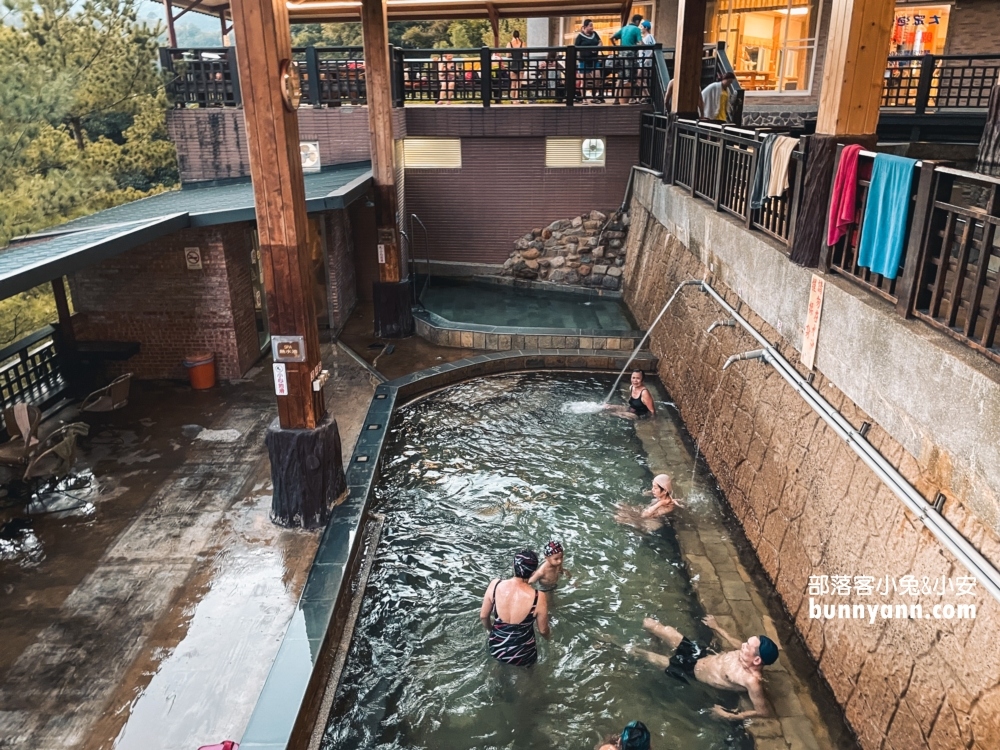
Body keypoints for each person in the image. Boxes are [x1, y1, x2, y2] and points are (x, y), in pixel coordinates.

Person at [631, 615, 778, 721]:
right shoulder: (745, 653)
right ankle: (654, 642)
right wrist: (717, 628)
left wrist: (730, 716)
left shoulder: (752, 681)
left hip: (689, 672)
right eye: (746, 642)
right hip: (699, 653)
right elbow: (735, 642)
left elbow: (763, 711)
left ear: (757, 659)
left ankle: (612, 643)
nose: (743, 646)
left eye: (748, 646)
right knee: (650, 624)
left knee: (642, 654)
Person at [480, 550, 551, 666]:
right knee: (528, 679)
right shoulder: (538, 597)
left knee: (497, 671)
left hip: (497, 646)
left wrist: (491, 630)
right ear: (533, 573)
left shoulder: (495, 584)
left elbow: (483, 616)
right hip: (523, 653)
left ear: (513, 565)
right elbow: (543, 630)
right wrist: (549, 639)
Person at [611, 14, 644, 104]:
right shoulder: (636, 30)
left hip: (621, 54)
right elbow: (640, 43)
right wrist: (640, 45)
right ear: (637, 21)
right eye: (639, 22)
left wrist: (616, 47)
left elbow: (612, 37)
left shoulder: (624, 28)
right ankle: (631, 98)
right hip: (631, 55)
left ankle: (616, 99)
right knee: (632, 77)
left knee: (621, 77)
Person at [575, 19, 603, 103]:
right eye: (590, 25)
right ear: (585, 27)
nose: (592, 27)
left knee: (597, 78)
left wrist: (597, 47)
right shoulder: (580, 36)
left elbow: (600, 42)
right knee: (584, 81)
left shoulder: (595, 34)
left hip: (594, 60)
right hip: (584, 60)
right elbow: (575, 47)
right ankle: (584, 98)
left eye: (592, 25)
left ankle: (594, 96)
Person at [638, 20, 655, 103]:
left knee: (639, 78)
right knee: (643, 80)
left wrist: (648, 59)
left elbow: (653, 48)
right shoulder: (643, 37)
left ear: (646, 28)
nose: (641, 29)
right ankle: (644, 97)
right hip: (641, 61)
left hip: (645, 62)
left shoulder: (649, 37)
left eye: (642, 27)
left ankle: (647, 95)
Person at [507, 30, 526, 103]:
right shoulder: (522, 43)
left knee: (513, 83)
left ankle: (512, 99)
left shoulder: (510, 43)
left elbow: (508, 55)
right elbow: (525, 54)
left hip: (513, 64)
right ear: (519, 35)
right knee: (519, 84)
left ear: (513, 35)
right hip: (521, 64)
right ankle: (517, 99)